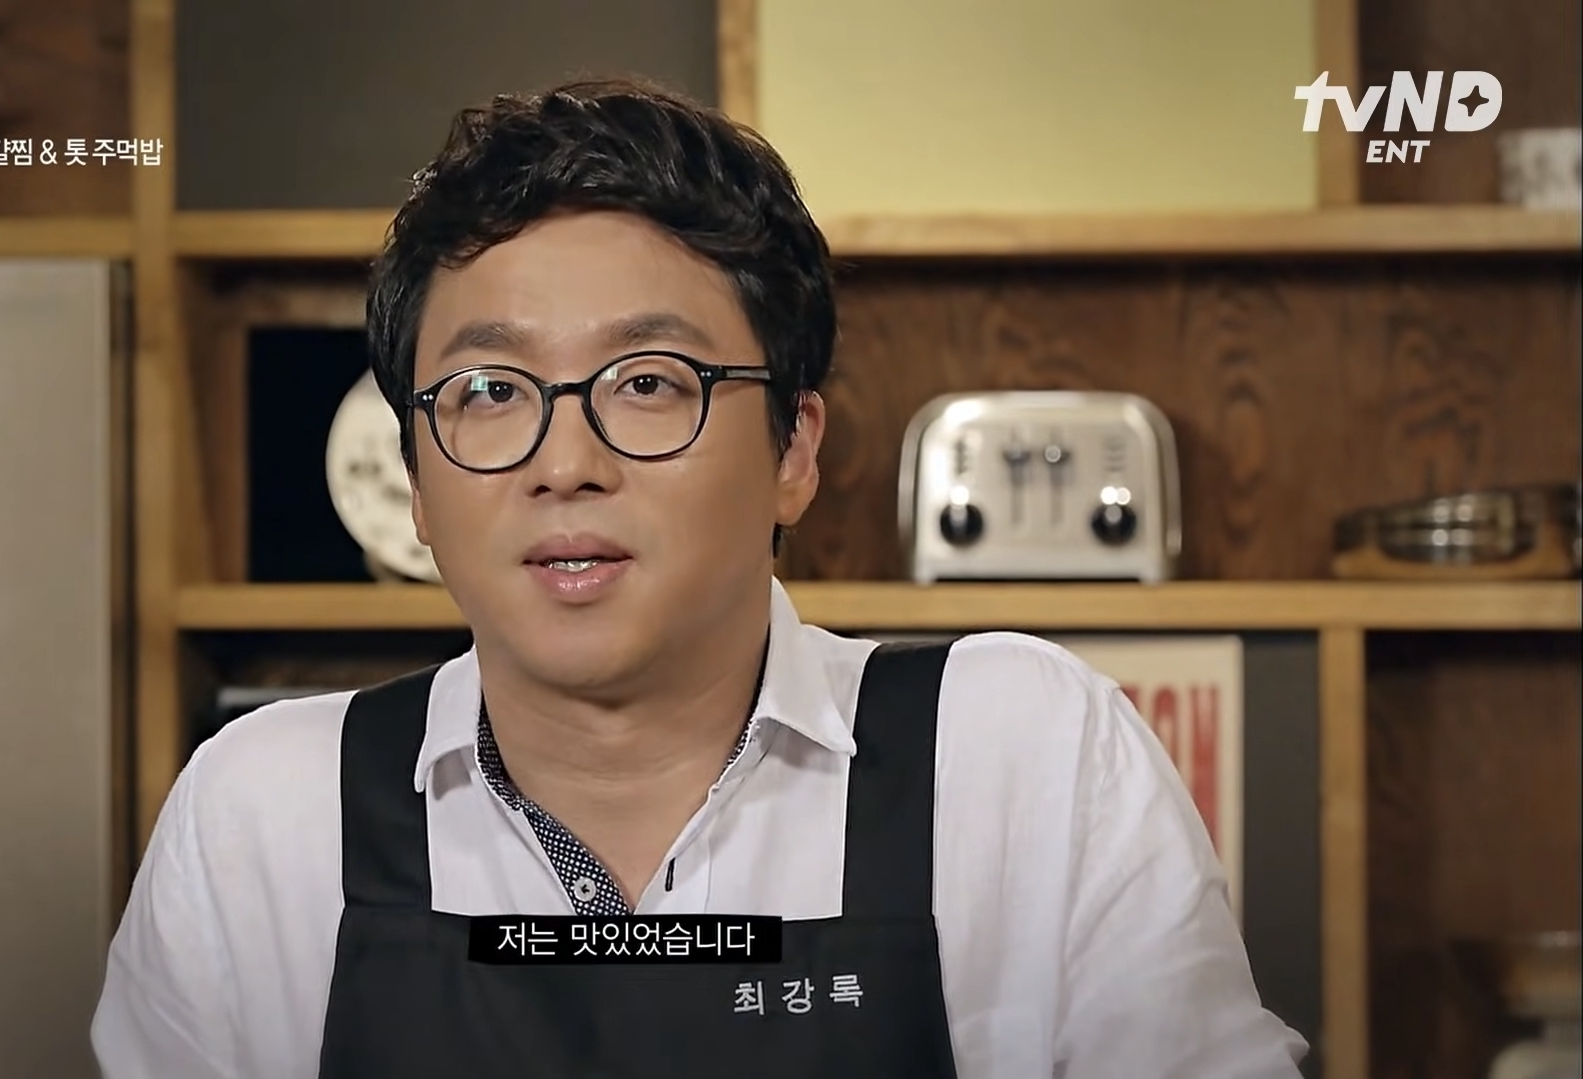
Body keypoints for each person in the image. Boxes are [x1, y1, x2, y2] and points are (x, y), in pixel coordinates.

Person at [91, 77, 1309, 1078]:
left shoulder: (1020, 756)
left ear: (795, 450)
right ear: (416, 475)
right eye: (490, 391)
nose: (565, 463)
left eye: (648, 383)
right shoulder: (267, 815)